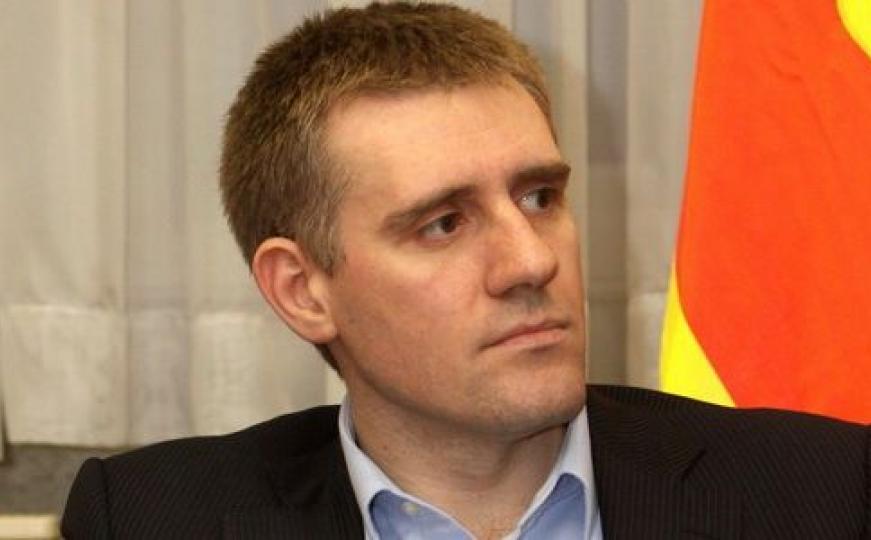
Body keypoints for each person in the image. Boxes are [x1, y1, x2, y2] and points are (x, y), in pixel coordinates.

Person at [62, 3, 869, 539]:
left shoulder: (823, 496)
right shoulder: (149, 520)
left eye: (540, 197)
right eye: (443, 223)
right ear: (302, 291)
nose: (531, 260)